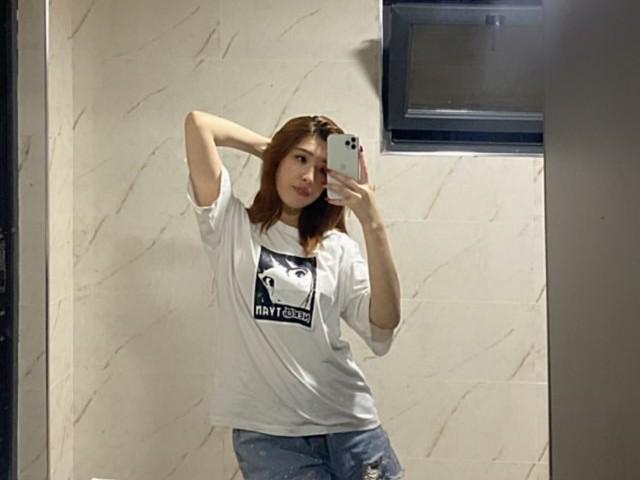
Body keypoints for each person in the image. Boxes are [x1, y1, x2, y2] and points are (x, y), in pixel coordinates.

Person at [183, 111, 404, 480]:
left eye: (323, 169)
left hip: (352, 428)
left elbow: (385, 321)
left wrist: (372, 221)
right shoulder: (231, 226)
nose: (308, 177)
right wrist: (271, 149)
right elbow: (198, 124)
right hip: (270, 437)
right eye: (300, 159)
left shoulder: (338, 248)